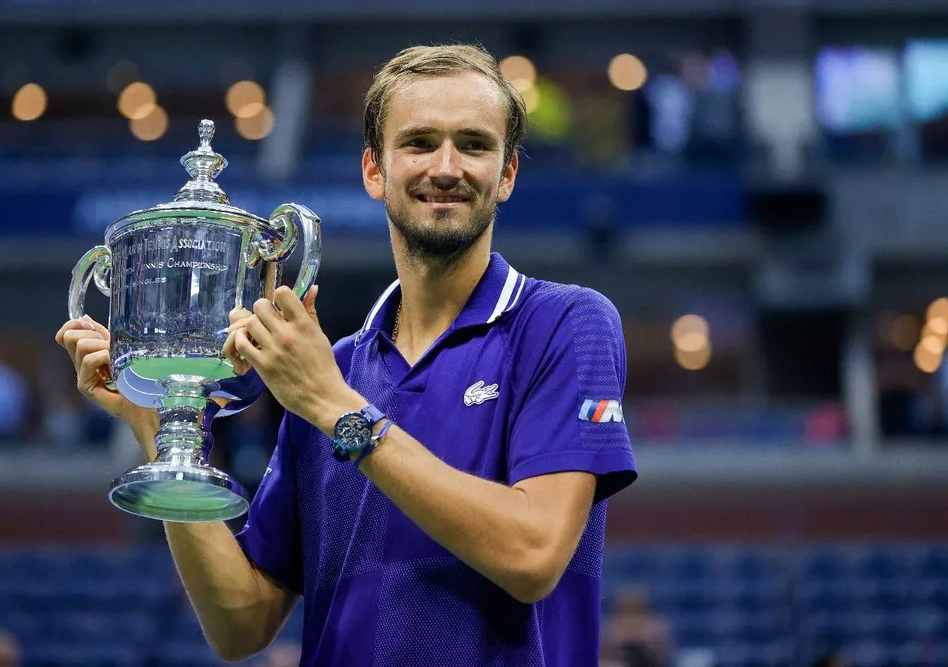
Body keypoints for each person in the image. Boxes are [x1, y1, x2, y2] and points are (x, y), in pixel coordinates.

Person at [55, 43, 638, 666]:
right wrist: (157, 424)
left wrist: (336, 408)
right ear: (373, 170)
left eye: (474, 144)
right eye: (418, 143)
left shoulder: (565, 323)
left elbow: (533, 555)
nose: (446, 166)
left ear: (508, 174)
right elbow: (241, 624)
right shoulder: (334, 367)